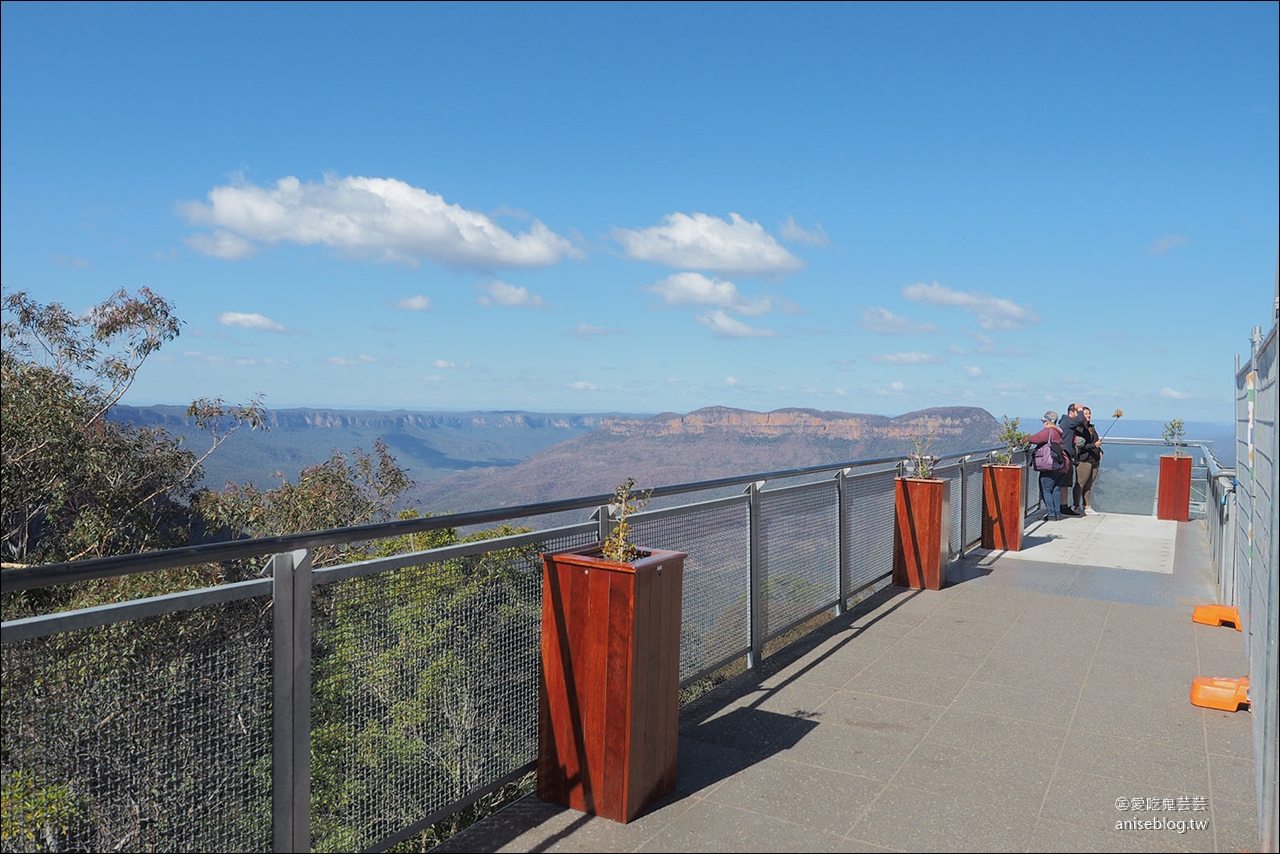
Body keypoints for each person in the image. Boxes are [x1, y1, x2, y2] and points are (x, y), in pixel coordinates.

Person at [1027, 410, 1070, 521]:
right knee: (1055, 489)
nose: (1043, 423)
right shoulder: (1058, 432)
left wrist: (1023, 440)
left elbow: (1033, 439)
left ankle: (1051, 514)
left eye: (1044, 421)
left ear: (1047, 421)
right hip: (1062, 464)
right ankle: (1057, 513)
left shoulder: (1048, 431)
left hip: (1051, 465)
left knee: (1046, 489)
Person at [1072, 406, 1103, 515]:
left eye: (1089, 413)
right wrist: (1094, 446)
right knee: (1081, 483)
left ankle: (1087, 506)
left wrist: (1100, 450)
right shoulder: (1079, 429)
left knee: (1089, 484)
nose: (1088, 415)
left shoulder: (1091, 428)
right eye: (1086, 414)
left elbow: (1095, 441)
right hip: (1084, 459)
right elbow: (1081, 446)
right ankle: (1076, 505)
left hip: (1094, 459)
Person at [1058, 403, 1086, 516]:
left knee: (1065, 482)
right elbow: (1080, 419)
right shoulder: (1068, 421)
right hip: (1065, 455)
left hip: (1066, 454)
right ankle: (1063, 505)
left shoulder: (1065, 422)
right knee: (1064, 482)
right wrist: (1080, 409)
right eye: (1077, 412)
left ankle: (1062, 505)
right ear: (1071, 412)